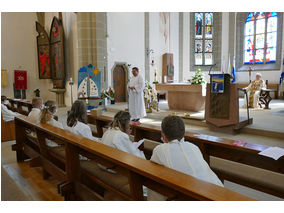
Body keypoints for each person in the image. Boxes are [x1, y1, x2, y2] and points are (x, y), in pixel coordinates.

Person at [147, 115, 223, 201]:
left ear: (163, 135)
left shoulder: (160, 149)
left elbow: (154, 181)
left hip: (188, 197)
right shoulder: (194, 147)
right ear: (183, 133)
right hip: (214, 193)